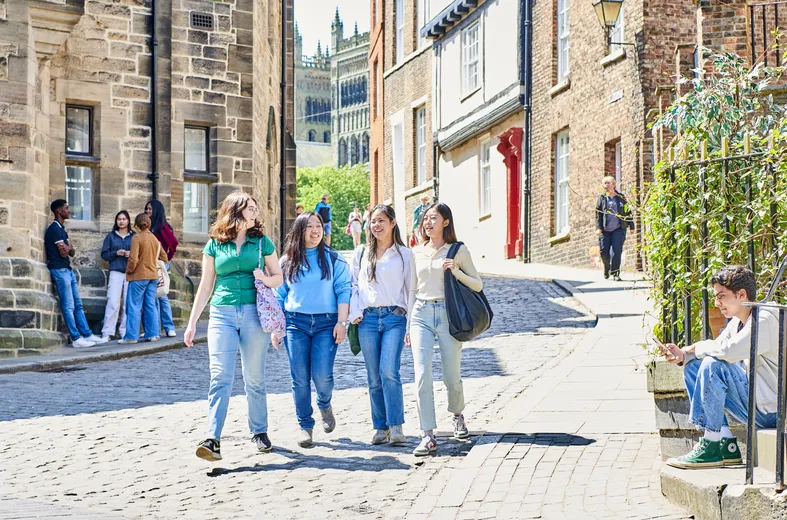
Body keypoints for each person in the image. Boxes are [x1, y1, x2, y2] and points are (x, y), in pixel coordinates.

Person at [183, 191, 283, 462]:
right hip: (222, 314)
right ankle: (213, 438)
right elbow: (206, 286)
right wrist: (192, 323)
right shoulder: (215, 244)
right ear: (235, 211)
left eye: (255, 208)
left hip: (253, 313)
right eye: (250, 208)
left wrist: (265, 278)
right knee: (220, 377)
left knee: (254, 378)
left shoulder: (261, 242)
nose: (255, 213)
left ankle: (259, 431)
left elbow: (279, 277)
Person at [660, 266, 778, 469]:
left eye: (721, 296)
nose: (717, 303)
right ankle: (726, 444)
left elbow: (727, 351)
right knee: (694, 367)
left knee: (714, 365)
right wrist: (684, 355)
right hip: (756, 404)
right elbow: (716, 347)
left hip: (774, 411)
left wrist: (694, 349)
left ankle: (710, 444)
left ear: (741, 294)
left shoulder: (765, 317)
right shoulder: (738, 322)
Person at [409, 202, 482, 456]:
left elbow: (477, 284)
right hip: (421, 314)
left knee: (451, 375)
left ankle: (458, 414)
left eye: (433, 218)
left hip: (448, 315)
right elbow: (412, 290)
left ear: (446, 222)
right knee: (421, 374)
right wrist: (409, 324)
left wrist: (457, 272)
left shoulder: (457, 251)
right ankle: (427, 434)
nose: (428, 223)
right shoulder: (416, 252)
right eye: (425, 219)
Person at [273, 212, 352, 448]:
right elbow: (279, 295)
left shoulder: (334, 259)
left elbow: (344, 290)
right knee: (299, 378)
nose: (315, 231)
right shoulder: (287, 261)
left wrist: (342, 322)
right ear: (300, 230)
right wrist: (277, 327)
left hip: (327, 324)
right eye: (309, 226)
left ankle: (324, 403)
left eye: (318, 226)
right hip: (295, 323)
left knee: (322, 375)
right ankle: (305, 426)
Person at [349, 205, 416, 446]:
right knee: (373, 376)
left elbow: (411, 290)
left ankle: (396, 426)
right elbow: (353, 285)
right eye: (372, 222)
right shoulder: (361, 253)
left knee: (389, 371)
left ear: (392, 223)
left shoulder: (404, 255)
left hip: (394, 318)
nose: (376, 225)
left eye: (381, 221)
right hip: (366, 319)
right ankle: (380, 427)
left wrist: (409, 326)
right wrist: (355, 312)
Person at [44, 200, 103, 348]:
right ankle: (76, 338)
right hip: (59, 270)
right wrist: (68, 248)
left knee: (77, 304)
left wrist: (68, 248)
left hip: (67, 270)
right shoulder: (54, 229)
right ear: (58, 211)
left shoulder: (61, 229)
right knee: (68, 306)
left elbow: (72, 251)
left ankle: (87, 334)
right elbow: (64, 252)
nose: (68, 211)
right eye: (66, 208)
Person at [119, 213, 168, 345]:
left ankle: (131, 336)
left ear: (136, 225)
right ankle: (153, 334)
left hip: (139, 276)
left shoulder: (137, 238)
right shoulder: (155, 239)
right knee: (150, 305)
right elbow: (164, 257)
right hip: (153, 276)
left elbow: (133, 259)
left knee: (134, 306)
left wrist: (129, 270)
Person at [99, 210, 134, 342]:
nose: (121, 221)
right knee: (113, 302)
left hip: (130, 273)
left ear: (128, 221)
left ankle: (124, 331)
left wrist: (131, 254)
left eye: (124, 219)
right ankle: (107, 332)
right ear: (116, 221)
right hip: (116, 272)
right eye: (119, 219)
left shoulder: (133, 236)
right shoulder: (111, 236)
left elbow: (140, 254)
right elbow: (104, 254)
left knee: (127, 303)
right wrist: (116, 253)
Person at [146, 200, 179, 338]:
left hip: (159, 264)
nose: (147, 211)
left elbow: (173, 243)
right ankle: (155, 329)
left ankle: (169, 326)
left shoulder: (162, 227)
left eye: (150, 209)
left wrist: (167, 258)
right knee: (152, 297)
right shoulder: (148, 226)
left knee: (162, 295)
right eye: (146, 209)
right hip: (148, 264)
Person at [595, 176, 634, 281]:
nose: (606, 185)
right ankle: (607, 268)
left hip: (618, 229)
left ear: (613, 184)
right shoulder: (602, 198)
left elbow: (627, 211)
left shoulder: (620, 197)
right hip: (605, 230)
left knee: (617, 250)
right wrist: (598, 227)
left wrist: (631, 225)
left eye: (608, 183)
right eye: (604, 183)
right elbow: (598, 214)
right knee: (604, 252)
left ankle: (615, 273)